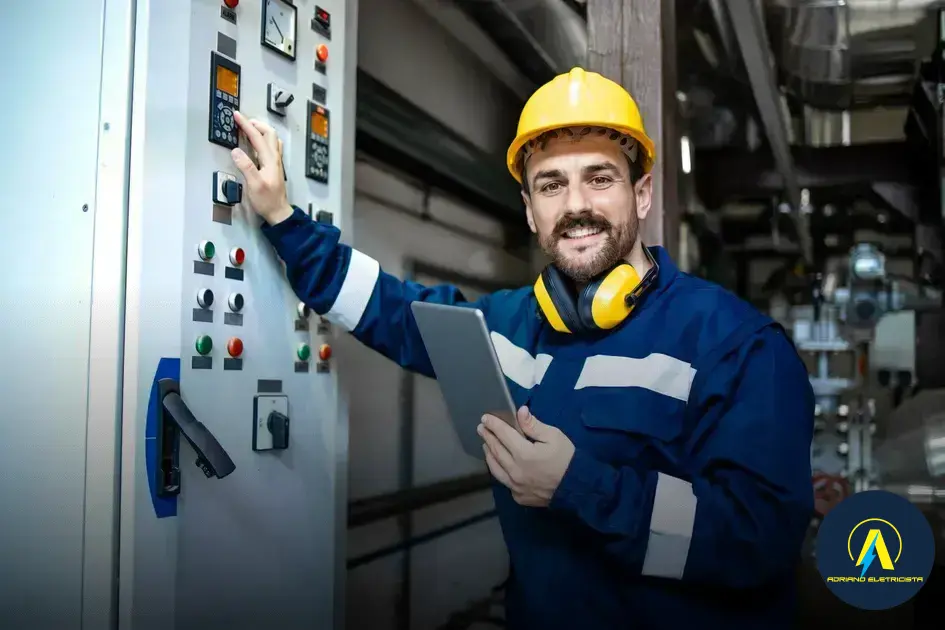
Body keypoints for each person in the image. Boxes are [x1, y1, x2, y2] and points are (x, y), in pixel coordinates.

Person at [229, 67, 815, 629]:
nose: (576, 205)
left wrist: (578, 487)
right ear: (531, 212)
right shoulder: (508, 324)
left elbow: (759, 542)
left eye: (600, 178)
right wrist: (283, 219)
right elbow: (390, 311)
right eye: (551, 185)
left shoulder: (738, 347)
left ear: (641, 195)